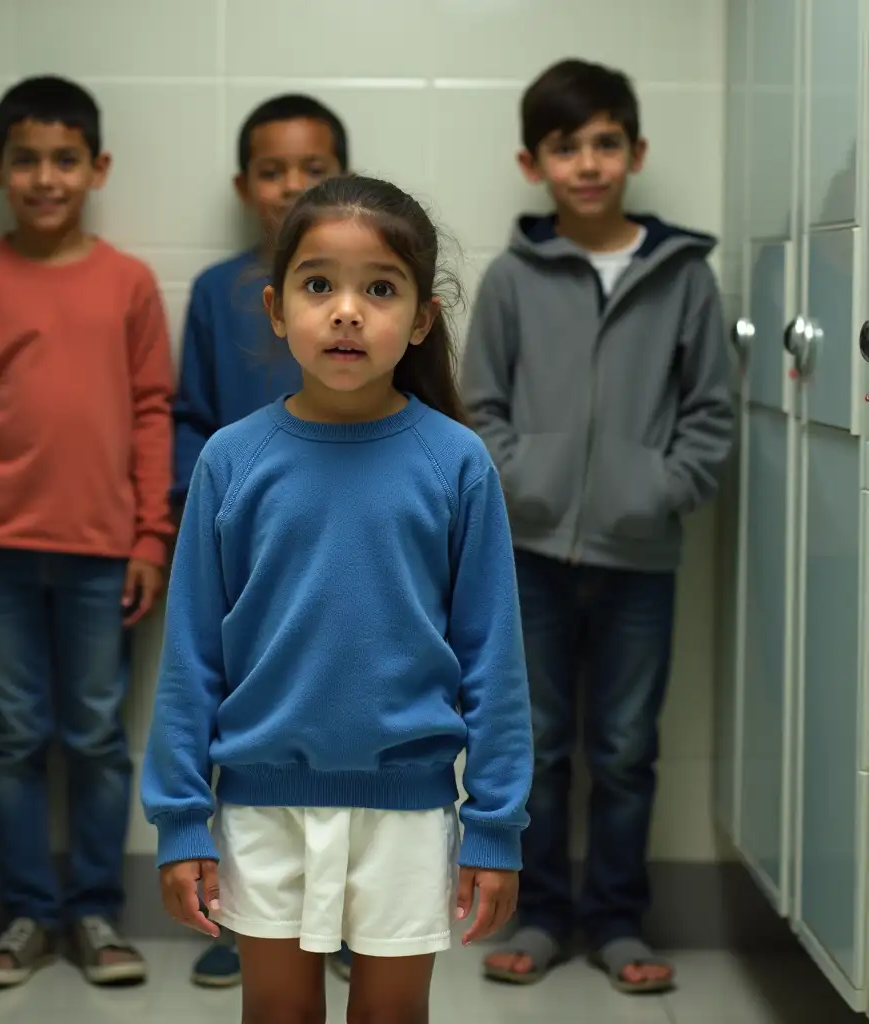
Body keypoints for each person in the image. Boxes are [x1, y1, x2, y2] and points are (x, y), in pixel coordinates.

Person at [143, 174, 533, 1023]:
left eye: (379, 288)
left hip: (409, 811)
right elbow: (192, 657)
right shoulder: (231, 460)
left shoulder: (457, 463)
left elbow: (494, 659)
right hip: (262, 806)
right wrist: (180, 819)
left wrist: (495, 825)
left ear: (422, 318)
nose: (347, 311)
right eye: (319, 285)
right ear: (278, 308)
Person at [461, 58, 734, 995]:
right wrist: (524, 480)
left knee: (624, 748)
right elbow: (478, 409)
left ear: (636, 151)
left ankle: (617, 919)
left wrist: (654, 490)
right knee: (535, 744)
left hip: (639, 557)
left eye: (605, 142)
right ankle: (537, 914)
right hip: (527, 554)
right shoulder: (509, 278)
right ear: (532, 161)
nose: (588, 162)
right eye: (566, 145)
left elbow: (710, 416)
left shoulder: (685, 277)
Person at [0, 75, 174, 989]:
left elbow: (154, 412)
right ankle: (28, 914)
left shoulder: (129, 284)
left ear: (97, 168)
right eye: (25, 159)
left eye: (64, 158)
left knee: (99, 736)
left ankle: (97, 913)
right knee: (15, 735)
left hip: (106, 555)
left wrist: (152, 536)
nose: (44, 176)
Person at [171, 92, 351, 987]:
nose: (290, 186)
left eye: (311, 169)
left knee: (348, 720)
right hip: (248, 565)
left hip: (352, 561)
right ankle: (241, 916)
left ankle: (351, 916)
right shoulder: (217, 293)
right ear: (245, 185)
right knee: (241, 733)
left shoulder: (365, 297)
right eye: (272, 171)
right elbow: (191, 420)